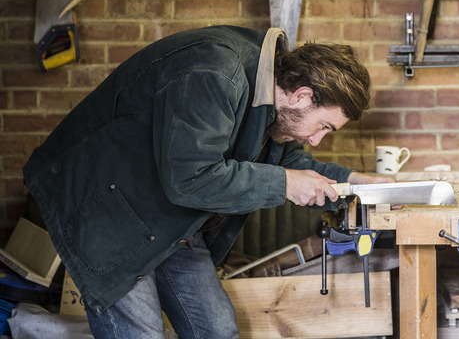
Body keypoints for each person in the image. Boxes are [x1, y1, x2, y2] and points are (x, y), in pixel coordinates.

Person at [23, 25, 391, 339]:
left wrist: (354, 182)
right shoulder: (215, 73)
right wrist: (284, 184)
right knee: (142, 333)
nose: (316, 140)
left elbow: (282, 158)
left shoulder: (268, 98)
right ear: (302, 95)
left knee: (216, 329)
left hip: (167, 211)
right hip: (105, 205)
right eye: (324, 126)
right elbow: (190, 177)